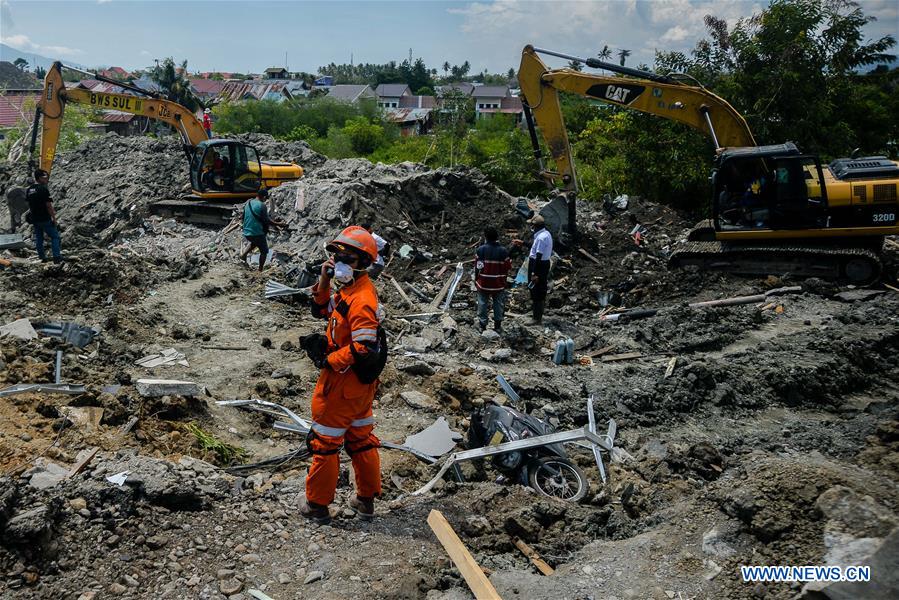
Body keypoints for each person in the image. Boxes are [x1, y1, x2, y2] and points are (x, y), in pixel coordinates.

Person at [299, 225, 385, 524]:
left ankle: (317, 506)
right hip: (359, 386)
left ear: (363, 263)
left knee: (325, 442)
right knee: (361, 440)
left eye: (345, 257)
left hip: (343, 382)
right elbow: (321, 309)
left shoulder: (362, 299)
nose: (338, 262)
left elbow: (364, 345)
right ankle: (365, 500)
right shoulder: (348, 291)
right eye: (335, 256)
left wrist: (329, 360)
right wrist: (324, 279)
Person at [474, 226, 512, 332]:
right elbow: (507, 267)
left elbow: (478, 267)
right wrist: (504, 280)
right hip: (498, 283)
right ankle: (498, 325)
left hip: (484, 282)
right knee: (498, 303)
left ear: (485, 237)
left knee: (482, 302)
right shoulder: (503, 251)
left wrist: (476, 278)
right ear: (497, 237)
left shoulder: (481, 250)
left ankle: (482, 325)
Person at [516, 214, 552, 325]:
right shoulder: (545, 234)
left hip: (538, 264)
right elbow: (535, 247)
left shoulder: (541, 238)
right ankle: (536, 315)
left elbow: (538, 255)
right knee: (537, 290)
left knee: (537, 291)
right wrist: (524, 243)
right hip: (542, 264)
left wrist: (534, 273)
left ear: (535, 226)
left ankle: (536, 318)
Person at [239, 189, 285, 271]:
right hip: (256, 233)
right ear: (264, 197)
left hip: (246, 232)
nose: (266, 200)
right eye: (266, 198)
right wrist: (279, 224)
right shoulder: (262, 205)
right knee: (264, 251)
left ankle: (243, 255)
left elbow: (242, 217)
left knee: (255, 243)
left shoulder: (248, 203)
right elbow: (266, 221)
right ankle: (260, 270)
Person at [25, 169, 62, 263]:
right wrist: (54, 218)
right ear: (39, 178)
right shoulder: (43, 189)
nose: (47, 179)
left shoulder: (29, 190)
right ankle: (57, 257)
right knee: (55, 237)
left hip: (35, 219)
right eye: (45, 177)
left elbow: (29, 205)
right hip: (45, 218)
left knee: (39, 238)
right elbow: (49, 206)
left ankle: (42, 258)